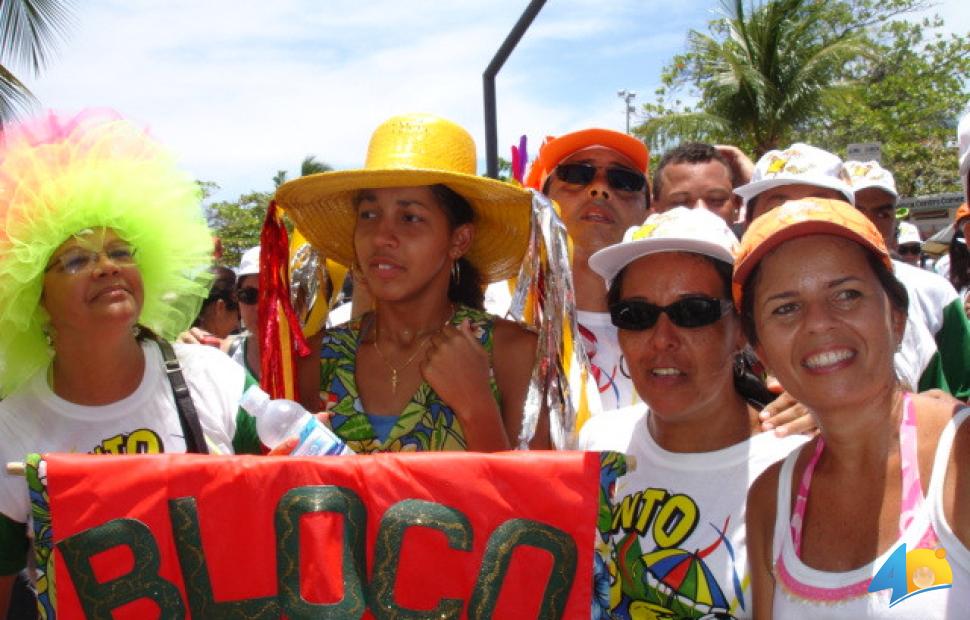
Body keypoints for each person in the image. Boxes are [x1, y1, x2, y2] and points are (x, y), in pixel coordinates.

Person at [0, 111, 264, 616]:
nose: (107, 266)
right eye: (76, 260)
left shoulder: (215, 378)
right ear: (32, 297)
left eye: (121, 250)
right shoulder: (9, 428)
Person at [737, 197, 970, 617]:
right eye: (785, 308)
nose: (819, 322)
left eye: (846, 294)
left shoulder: (961, 456)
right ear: (761, 352)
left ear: (896, 319)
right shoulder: (772, 499)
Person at [579, 207, 807, 618]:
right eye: (637, 315)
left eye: (693, 312)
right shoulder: (597, 443)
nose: (662, 339)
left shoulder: (798, 471)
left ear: (741, 329)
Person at [276, 113, 544, 452]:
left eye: (410, 218)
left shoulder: (511, 353)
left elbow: (538, 498)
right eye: (369, 215)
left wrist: (477, 407)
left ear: (458, 240)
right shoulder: (319, 359)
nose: (381, 237)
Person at [738, 145, 970, 400]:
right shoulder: (721, 315)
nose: (797, 217)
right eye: (785, 309)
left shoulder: (904, 307)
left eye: (849, 296)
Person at [525, 128, 650, 411]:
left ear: (648, 211)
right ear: (541, 202)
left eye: (624, 181)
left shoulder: (677, 323)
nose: (599, 189)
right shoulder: (501, 312)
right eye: (576, 175)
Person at [650, 142, 747, 226]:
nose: (701, 211)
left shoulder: (755, 245)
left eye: (716, 200)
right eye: (680, 202)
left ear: (736, 204)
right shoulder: (636, 244)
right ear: (655, 209)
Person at [228, 245, 262, 378]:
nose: (259, 307)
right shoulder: (225, 355)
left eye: (271, 295)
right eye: (249, 295)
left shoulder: (318, 358)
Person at [191, 265, 240, 345]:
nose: (237, 325)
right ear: (220, 307)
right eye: (239, 314)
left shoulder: (174, 344)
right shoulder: (217, 353)